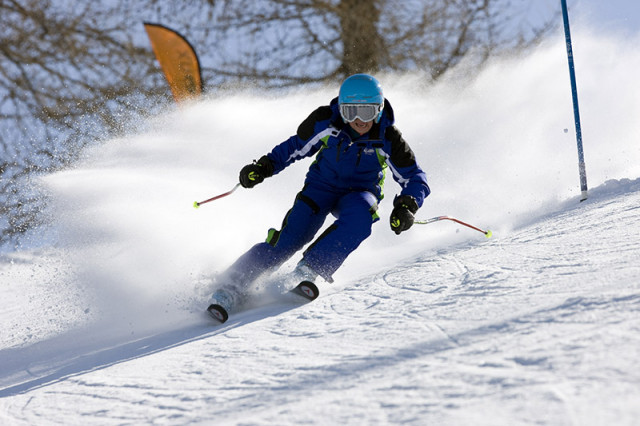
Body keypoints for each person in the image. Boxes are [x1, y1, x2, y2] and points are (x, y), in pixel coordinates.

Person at [207, 73, 430, 321]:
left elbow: (415, 177)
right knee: (290, 238)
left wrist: (407, 205)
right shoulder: (327, 123)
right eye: (351, 111)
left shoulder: (388, 139)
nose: (358, 120)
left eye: (367, 112)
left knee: (361, 218)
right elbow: (293, 148)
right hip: (320, 189)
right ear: (341, 110)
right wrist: (263, 167)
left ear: (378, 110)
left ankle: (309, 269)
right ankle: (229, 287)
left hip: (359, 193)